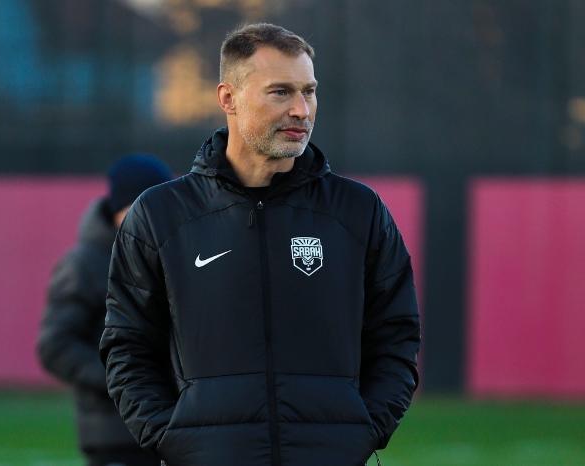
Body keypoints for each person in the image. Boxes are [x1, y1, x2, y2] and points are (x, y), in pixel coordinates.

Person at [100, 23, 421, 466]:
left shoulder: (358, 212)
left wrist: (362, 432)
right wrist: (171, 438)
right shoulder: (160, 215)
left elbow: (396, 336)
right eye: (280, 92)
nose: (301, 110)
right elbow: (128, 346)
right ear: (228, 98)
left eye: (309, 92)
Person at [37, 155, 172, 466]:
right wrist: (121, 380)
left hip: (169, 430)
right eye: (144, 207)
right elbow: (55, 346)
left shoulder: (170, 257)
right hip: (114, 435)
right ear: (120, 209)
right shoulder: (84, 264)